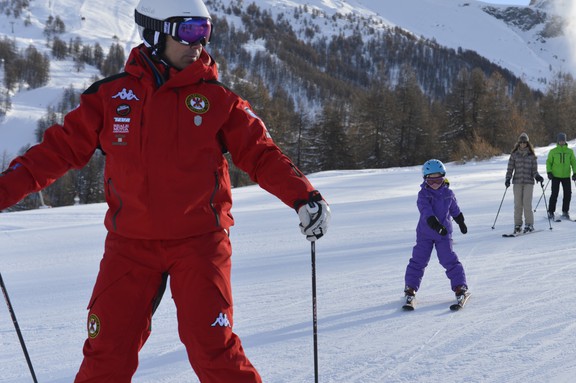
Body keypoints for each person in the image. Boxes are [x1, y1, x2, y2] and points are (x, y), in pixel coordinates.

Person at [0, 0, 330, 381]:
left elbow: (261, 154)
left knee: (213, 349)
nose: (199, 43)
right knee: (106, 352)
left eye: (205, 32)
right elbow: (54, 153)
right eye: (188, 31)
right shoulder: (109, 97)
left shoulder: (219, 100)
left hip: (200, 242)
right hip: (130, 246)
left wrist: (304, 196)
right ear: (156, 32)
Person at [402, 159, 469, 310]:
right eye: (431, 180)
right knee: (418, 260)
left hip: (444, 234)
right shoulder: (423, 195)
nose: (435, 183)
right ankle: (410, 289)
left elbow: (454, 209)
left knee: (449, 259)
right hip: (425, 233)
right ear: (425, 179)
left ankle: (460, 287)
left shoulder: (448, 193)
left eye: (438, 179)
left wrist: (460, 221)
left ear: (443, 177)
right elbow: (426, 212)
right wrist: (436, 225)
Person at [505, 133, 544, 234]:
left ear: (527, 143)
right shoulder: (514, 155)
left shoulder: (532, 157)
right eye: (521, 142)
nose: (522, 144)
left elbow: (534, 171)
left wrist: (538, 177)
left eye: (524, 142)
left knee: (527, 204)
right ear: (518, 143)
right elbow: (510, 169)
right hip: (517, 182)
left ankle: (529, 224)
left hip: (528, 183)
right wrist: (508, 179)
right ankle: (517, 225)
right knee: (518, 205)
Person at [546, 132, 576, 220]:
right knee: (554, 194)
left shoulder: (570, 151)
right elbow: (548, 162)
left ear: (565, 141)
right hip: (555, 176)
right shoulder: (553, 151)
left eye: (563, 140)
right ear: (558, 141)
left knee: (568, 194)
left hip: (566, 176)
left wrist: (575, 173)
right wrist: (549, 172)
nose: (562, 142)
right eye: (560, 140)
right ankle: (551, 211)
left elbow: (574, 162)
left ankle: (565, 211)